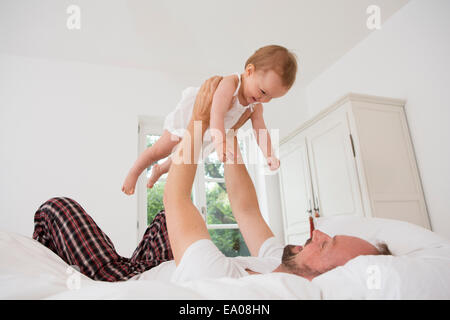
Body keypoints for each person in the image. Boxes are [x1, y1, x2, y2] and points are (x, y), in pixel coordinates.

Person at [32, 76, 390, 283]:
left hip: (125, 277)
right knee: (165, 222)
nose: (318, 232)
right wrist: (228, 134)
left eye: (326, 245)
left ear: (327, 280)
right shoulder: (274, 263)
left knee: (54, 209)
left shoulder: (228, 284)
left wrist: (199, 120)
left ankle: (59, 279)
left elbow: (177, 200)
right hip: (159, 263)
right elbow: (246, 210)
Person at [121, 45, 297, 194]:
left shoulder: (256, 105)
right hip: (193, 119)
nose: (263, 100)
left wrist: (270, 154)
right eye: (263, 92)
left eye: (271, 98)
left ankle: (159, 169)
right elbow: (217, 114)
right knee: (160, 149)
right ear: (249, 71)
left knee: (184, 159)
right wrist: (220, 143)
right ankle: (135, 172)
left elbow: (261, 130)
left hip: (210, 132)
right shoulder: (230, 84)